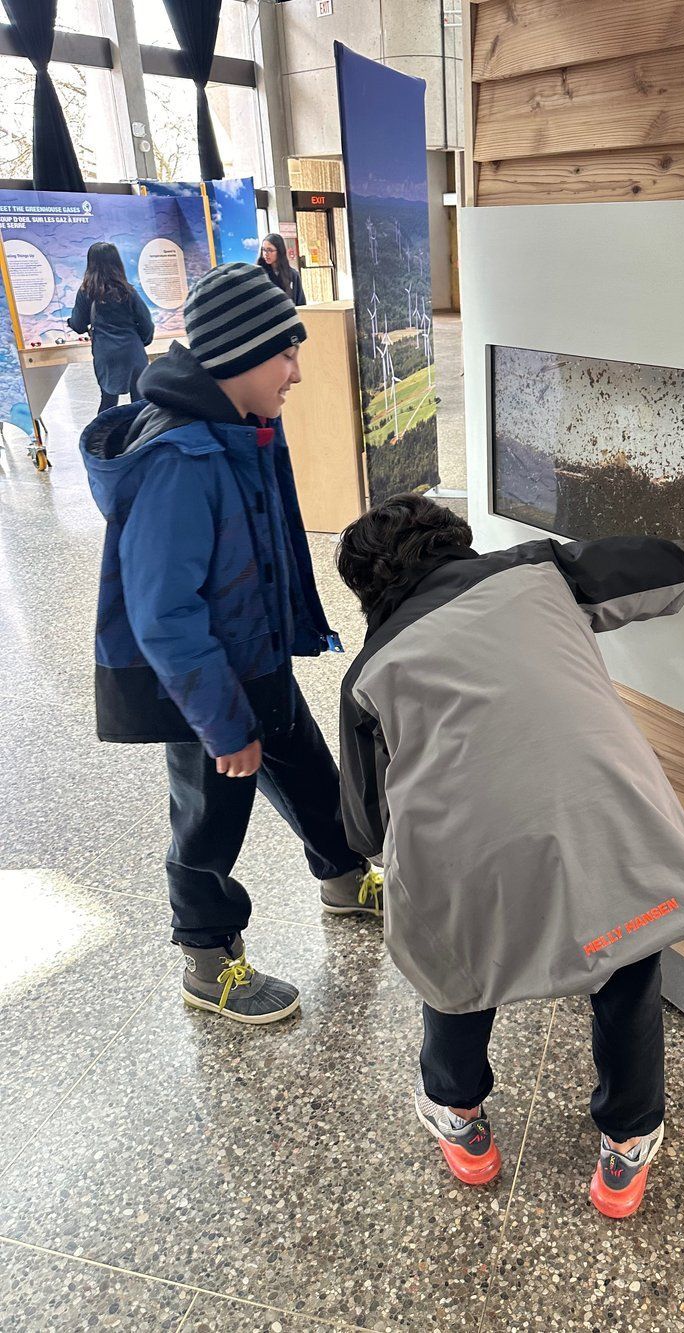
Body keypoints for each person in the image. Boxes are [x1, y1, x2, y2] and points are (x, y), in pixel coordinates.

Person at [336, 495, 684, 1218]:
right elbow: (672, 569)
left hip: (464, 856)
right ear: (458, 542)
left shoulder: (367, 672)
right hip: (604, 823)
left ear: (369, 592)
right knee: (626, 958)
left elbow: (362, 827)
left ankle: (460, 1119)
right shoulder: (538, 570)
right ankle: (628, 1143)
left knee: (455, 964)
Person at [80, 262, 381, 1026]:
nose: (298, 371)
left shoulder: (237, 427)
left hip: (256, 659)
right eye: (286, 352)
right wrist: (222, 722)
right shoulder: (178, 460)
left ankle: (343, 875)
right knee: (210, 815)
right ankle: (207, 956)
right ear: (238, 355)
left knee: (313, 773)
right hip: (204, 689)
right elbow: (165, 616)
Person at [68, 242, 155, 414]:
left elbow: (78, 325)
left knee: (107, 403)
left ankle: (101, 438)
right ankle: (141, 438)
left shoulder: (86, 292)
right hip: (133, 352)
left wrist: (71, 322)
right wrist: (141, 342)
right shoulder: (128, 291)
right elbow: (146, 323)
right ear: (117, 262)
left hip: (105, 354)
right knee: (141, 405)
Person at [258, 232, 306, 306]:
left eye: (270, 250)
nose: (266, 254)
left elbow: (300, 302)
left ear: (280, 251)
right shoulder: (259, 274)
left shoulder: (293, 274)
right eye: (264, 250)